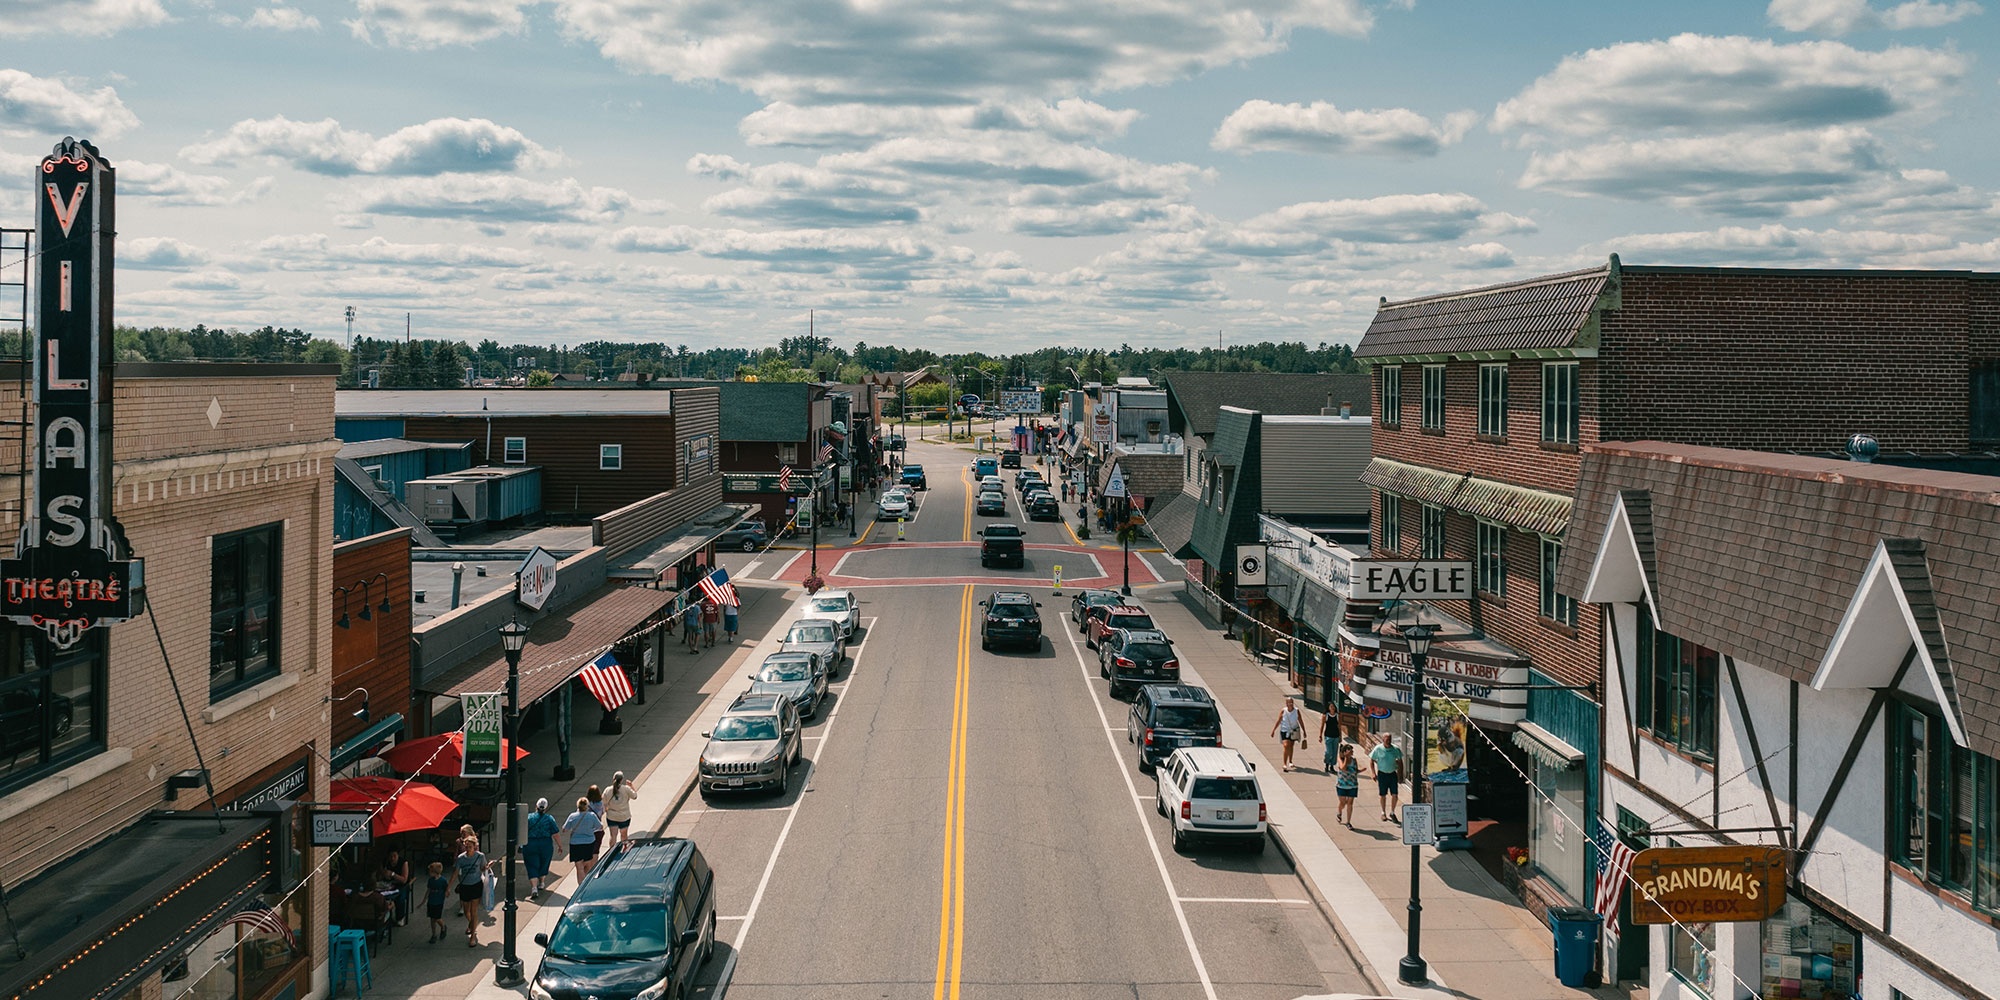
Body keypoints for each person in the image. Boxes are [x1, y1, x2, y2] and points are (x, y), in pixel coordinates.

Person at [561, 796, 605, 884]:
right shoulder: (591, 816)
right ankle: (586, 884)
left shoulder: (572, 816)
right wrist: (591, 829)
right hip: (589, 843)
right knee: (588, 864)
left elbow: (564, 829)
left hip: (575, 844)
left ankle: (580, 886)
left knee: (579, 867)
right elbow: (600, 826)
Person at [454, 836, 489, 947]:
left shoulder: (480, 856)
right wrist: (449, 887)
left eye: (470, 846)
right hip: (465, 886)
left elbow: (482, 868)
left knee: (474, 912)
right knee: (466, 911)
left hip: (476, 885)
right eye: (466, 846)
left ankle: (473, 936)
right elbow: (456, 872)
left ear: (475, 846)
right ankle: (472, 924)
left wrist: (487, 867)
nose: (468, 849)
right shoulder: (461, 858)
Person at [523, 798, 560, 897]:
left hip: (530, 843)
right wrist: (559, 845)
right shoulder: (549, 819)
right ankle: (542, 882)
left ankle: (534, 888)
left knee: (531, 865)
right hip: (545, 844)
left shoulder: (528, 817)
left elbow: (522, 830)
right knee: (544, 862)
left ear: (536, 806)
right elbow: (555, 833)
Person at [1369, 732, 1405, 822]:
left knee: (1395, 794)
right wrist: (1373, 773)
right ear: (1383, 739)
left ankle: (1392, 812)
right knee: (1383, 794)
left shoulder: (1395, 749)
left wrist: (1400, 775)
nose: (1388, 741)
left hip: (1392, 774)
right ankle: (1383, 812)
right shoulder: (1378, 749)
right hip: (1382, 774)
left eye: (1390, 739)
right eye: (1387, 739)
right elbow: (1372, 761)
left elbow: (1400, 762)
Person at [604, 771, 640, 847]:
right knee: (624, 836)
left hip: (612, 816)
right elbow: (635, 796)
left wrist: (606, 810)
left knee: (613, 836)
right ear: (622, 779)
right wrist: (631, 786)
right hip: (624, 816)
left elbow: (603, 802)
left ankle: (611, 851)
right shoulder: (626, 789)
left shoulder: (608, 790)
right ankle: (624, 850)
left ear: (613, 779)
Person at [378, 847, 412, 926]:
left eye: (394, 856)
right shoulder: (385, 862)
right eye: (390, 856)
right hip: (387, 884)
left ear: (398, 855)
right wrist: (383, 874)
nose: (392, 858)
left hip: (401, 885)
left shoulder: (403, 863)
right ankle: (384, 917)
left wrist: (393, 874)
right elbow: (379, 875)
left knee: (400, 898)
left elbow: (404, 879)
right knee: (380, 896)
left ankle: (400, 917)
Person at [1270, 696, 1305, 772]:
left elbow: (1300, 721)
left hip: (1293, 731)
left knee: (1291, 745)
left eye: (1292, 702)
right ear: (1286, 703)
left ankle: (1290, 761)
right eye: (1289, 702)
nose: (1290, 704)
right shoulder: (1283, 711)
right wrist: (1273, 730)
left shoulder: (1296, 711)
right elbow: (1279, 721)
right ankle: (1284, 764)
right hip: (1285, 730)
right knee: (1286, 745)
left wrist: (1304, 731)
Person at [1333, 744, 1361, 828]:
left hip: (1353, 785)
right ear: (1345, 752)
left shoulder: (1354, 760)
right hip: (1342, 785)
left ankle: (1348, 822)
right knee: (1343, 802)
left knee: (1350, 803)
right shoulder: (1340, 759)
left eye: (1352, 751)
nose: (1352, 752)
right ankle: (1339, 811)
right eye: (1350, 751)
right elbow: (1343, 768)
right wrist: (1346, 758)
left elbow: (1356, 770)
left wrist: (1360, 770)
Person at [424, 861, 450, 943]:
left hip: (439, 902)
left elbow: (446, 888)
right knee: (432, 918)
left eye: (430, 872)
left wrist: (447, 893)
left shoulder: (442, 880)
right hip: (431, 901)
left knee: (437, 918)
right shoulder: (430, 880)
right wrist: (424, 899)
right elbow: (428, 890)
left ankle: (443, 926)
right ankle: (434, 934)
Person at [1319, 705, 1342, 772]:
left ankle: (1332, 766)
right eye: (1331, 707)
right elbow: (1322, 725)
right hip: (1328, 736)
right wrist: (1320, 735)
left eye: (1333, 707)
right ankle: (1327, 764)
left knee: (1334, 752)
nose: (1332, 708)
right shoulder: (1325, 716)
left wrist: (1340, 736)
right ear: (1328, 708)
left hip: (1336, 736)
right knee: (1329, 752)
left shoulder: (1337, 716)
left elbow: (1339, 726)